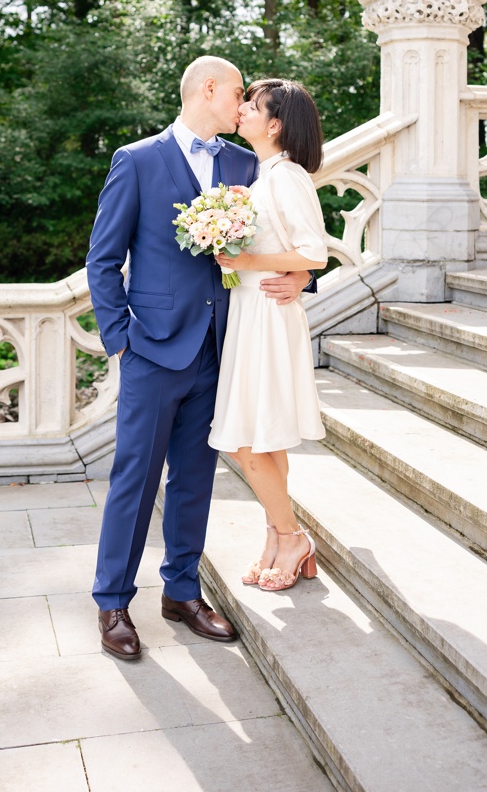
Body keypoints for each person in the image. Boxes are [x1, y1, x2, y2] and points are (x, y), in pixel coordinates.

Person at [85, 56, 312, 661]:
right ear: (207, 88)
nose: (242, 104)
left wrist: (300, 280)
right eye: (237, 91)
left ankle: (181, 592)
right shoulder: (136, 161)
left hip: (223, 350)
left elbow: (285, 237)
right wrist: (121, 340)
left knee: (195, 480)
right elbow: (102, 260)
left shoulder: (246, 164)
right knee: (133, 480)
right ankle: (112, 602)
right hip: (153, 352)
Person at [211, 78, 329, 592]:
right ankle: (277, 540)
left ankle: (292, 534)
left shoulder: (287, 177)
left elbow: (315, 253)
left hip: (269, 316)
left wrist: (247, 260)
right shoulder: (263, 176)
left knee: (244, 441)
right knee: (264, 437)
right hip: (251, 311)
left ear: (275, 123)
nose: (241, 111)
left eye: (252, 107)